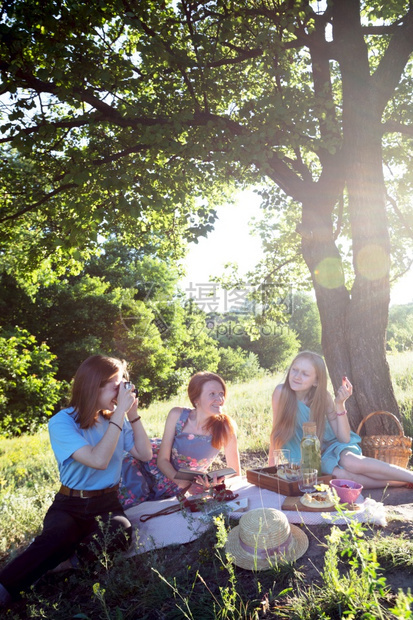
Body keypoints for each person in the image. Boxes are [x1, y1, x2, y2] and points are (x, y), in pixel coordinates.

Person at [0, 355, 152, 608]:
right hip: (70, 502)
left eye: (124, 382)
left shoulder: (114, 419)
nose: (122, 389)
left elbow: (145, 454)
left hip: (106, 502)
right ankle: (6, 586)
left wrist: (132, 415)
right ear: (94, 385)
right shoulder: (62, 421)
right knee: (59, 534)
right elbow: (98, 459)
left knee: (120, 533)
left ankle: (64, 561)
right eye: (116, 384)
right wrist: (119, 416)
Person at [269, 350, 413, 488]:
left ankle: (410, 477)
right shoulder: (281, 393)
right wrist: (270, 470)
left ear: (316, 381)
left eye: (305, 374)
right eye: (294, 370)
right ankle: (397, 483)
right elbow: (276, 433)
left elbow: (343, 439)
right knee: (341, 475)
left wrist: (339, 404)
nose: (297, 376)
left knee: (353, 463)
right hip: (306, 455)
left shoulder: (323, 397)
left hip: (333, 445)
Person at [118, 371, 241, 507]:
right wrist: (182, 483)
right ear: (196, 400)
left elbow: (234, 470)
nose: (220, 399)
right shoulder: (177, 415)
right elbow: (162, 460)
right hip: (152, 467)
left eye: (221, 394)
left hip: (188, 482)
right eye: (212, 394)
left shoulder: (226, 427)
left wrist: (214, 481)